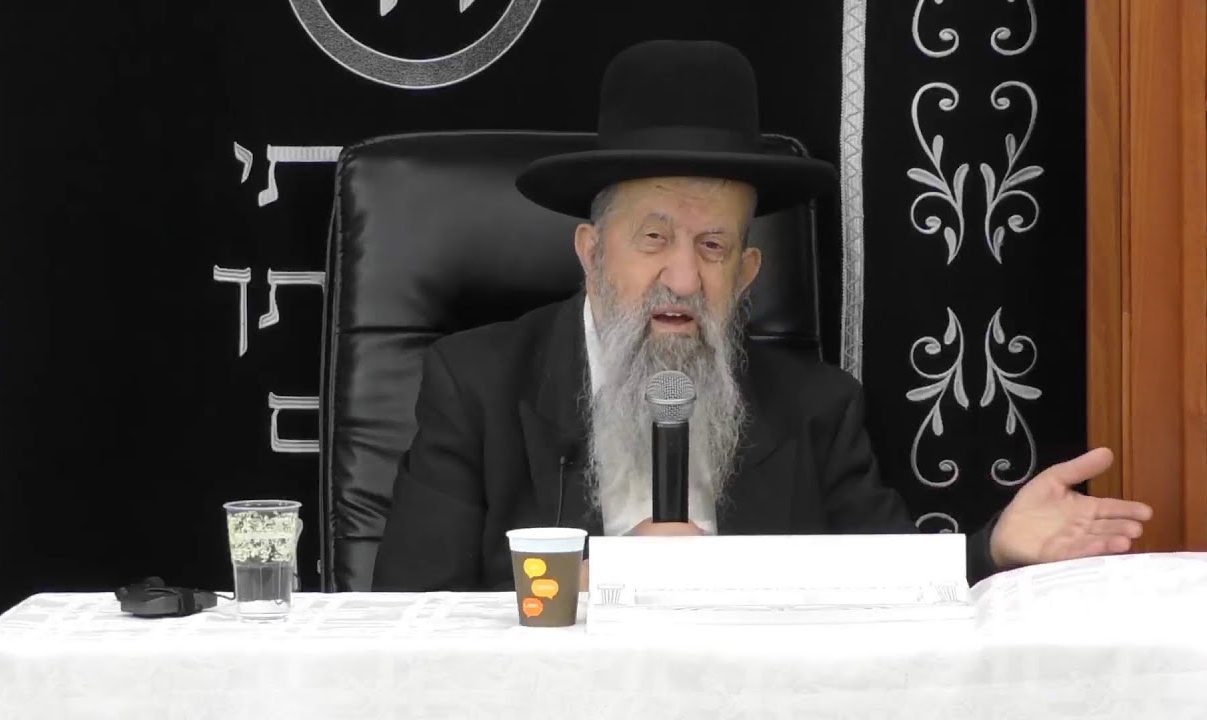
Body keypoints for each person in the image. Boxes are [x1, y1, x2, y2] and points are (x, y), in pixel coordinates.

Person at [370, 39, 1152, 591]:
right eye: (653, 239)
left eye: (712, 246)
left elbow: (889, 587)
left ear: (746, 273)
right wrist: (607, 577)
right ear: (592, 251)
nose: (682, 277)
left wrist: (991, 551)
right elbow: (407, 617)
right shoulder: (475, 387)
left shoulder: (816, 408)